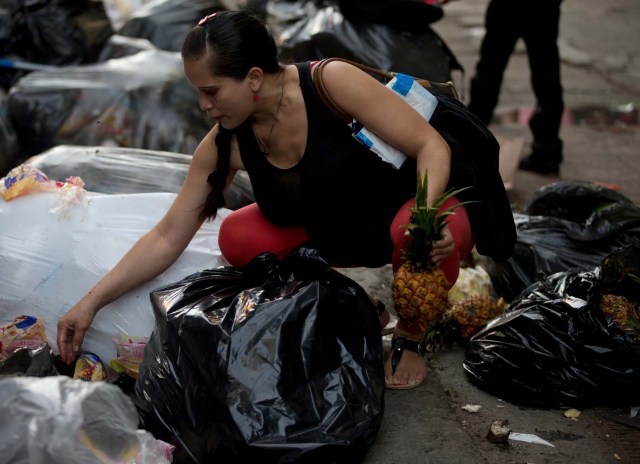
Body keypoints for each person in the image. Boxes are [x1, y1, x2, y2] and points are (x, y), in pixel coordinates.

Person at [57, 10, 509, 391]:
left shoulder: (331, 83)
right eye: (197, 91)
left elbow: (432, 146)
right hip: (334, 227)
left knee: (415, 232)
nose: (202, 105)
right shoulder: (226, 143)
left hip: (404, 214)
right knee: (239, 237)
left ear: (254, 77)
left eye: (211, 91)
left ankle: (410, 334)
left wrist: (426, 215)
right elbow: (167, 234)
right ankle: (354, 304)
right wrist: (91, 303)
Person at [467, 0, 565, 175]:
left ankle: (470, 143)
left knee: (490, 70)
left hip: (509, 7)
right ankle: (547, 152)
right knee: (545, 72)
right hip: (542, 7)